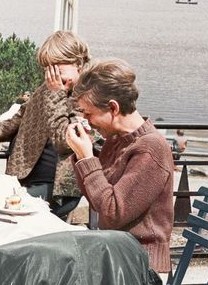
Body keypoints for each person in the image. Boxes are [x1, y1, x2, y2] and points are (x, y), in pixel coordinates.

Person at [65, 58, 174, 273]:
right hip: (117, 254)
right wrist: (81, 157)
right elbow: (98, 202)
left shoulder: (151, 149)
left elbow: (112, 213)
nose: (86, 120)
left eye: (89, 113)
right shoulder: (116, 140)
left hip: (141, 267)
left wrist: (87, 159)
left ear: (113, 107)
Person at [0, 31, 90, 216]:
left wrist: (55, 94)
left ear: (79, 64)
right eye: (47, 69)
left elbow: (66, 141)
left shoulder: (89, 96)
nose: (52, 75)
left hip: (58, 188)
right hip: (23, 176)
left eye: (57, 68)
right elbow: (18, 119)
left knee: (1, 211)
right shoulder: (46, 89)